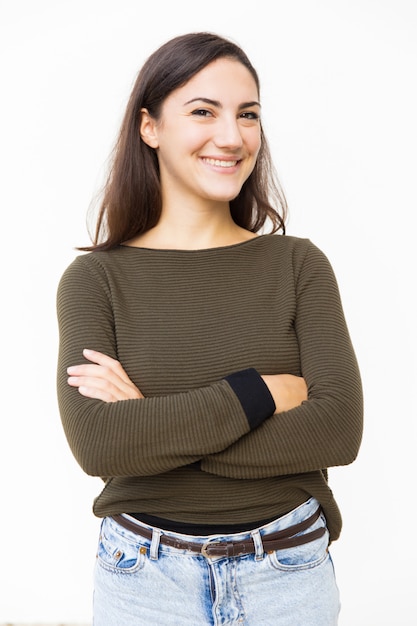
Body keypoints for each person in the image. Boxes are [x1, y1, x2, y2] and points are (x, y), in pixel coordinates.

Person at [56, 31, 363, 626]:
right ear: (150, 126)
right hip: (143, 577)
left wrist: (158, 427)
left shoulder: (298, 265)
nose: (232, 136)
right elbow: (99, 443)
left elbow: (339, 429)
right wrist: (263, 393)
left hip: (286, 570)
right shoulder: (95, 280)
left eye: (247, 115)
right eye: (203, 111)